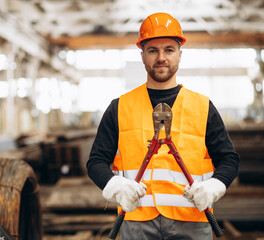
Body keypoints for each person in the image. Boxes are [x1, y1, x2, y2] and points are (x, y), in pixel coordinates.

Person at [86, 12, 240, 240]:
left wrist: (213, 187)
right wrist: (115, 185)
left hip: (192, 220)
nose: (161, 57)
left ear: (180, 54)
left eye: (169, 49)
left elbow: (229, 159)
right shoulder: (119, 107)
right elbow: (96, 161)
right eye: (152, 50)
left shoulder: (203, 107)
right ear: (142, 56)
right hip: (137, 221)